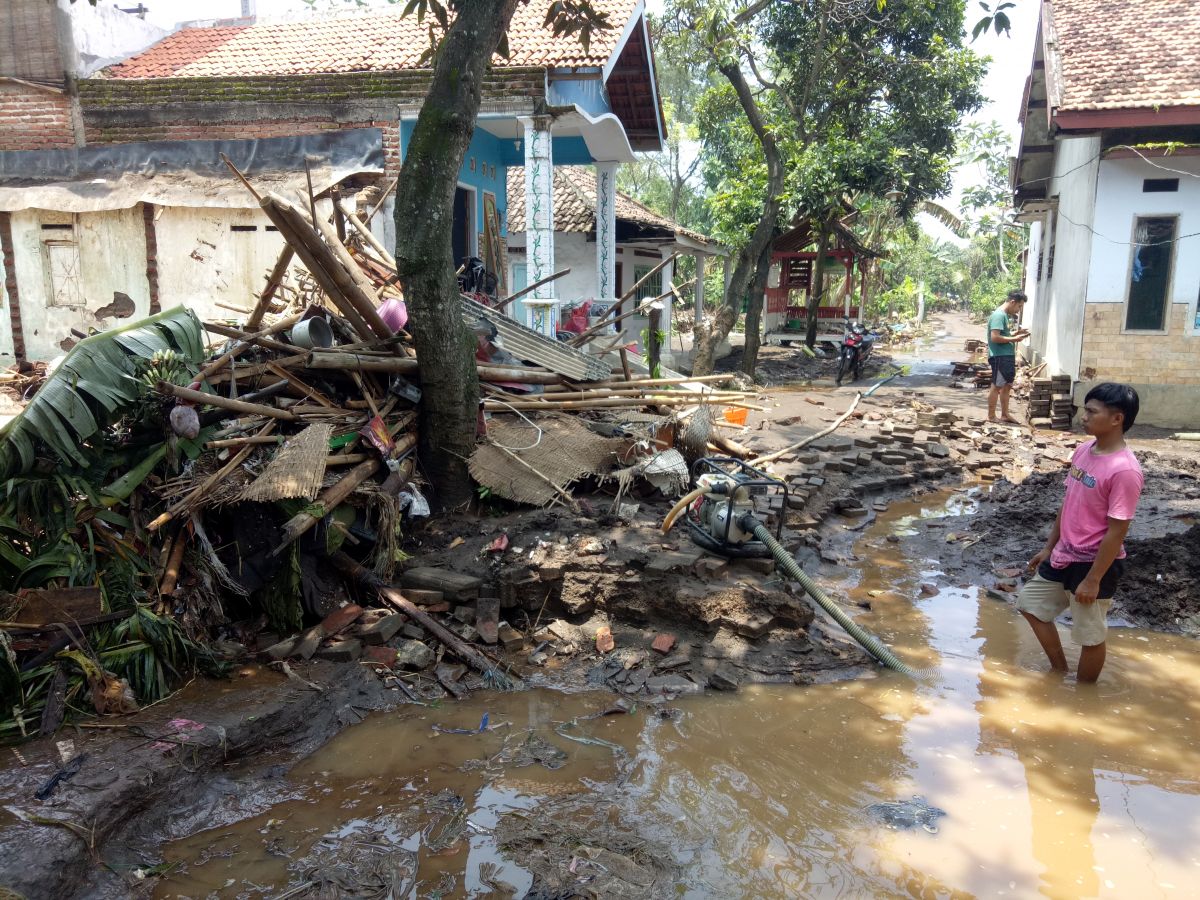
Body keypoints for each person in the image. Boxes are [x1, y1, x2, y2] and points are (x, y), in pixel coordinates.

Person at [1017, 383, 1143, 682]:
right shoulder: (1084, 450)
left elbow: (1117, 530)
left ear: (1117, 419)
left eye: (1091, 411)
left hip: (1094, 563)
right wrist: (1050, 547)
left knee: (1090, 635)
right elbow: (1069, 501)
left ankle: (1085, 696)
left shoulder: (1125, 470)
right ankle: (1059, 670)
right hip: (1063, 554)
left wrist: (1093, 579)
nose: (1082, 416)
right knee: (1030, 605)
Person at [987, 290, 1030, 424]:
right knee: (997, 386)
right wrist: (1015, 339)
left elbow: (1002, 333)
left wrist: (1015, 333)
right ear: (1012, 302)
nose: (1019, 310)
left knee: (1007, 385)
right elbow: (995, 337)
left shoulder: (1003, 315)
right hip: (1000, 356)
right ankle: (991, 416)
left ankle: (1005, 414)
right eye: (1019, 306)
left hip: (1006, 355)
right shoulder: (999, 315)